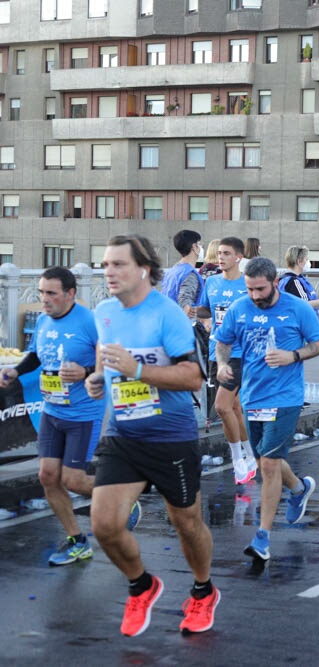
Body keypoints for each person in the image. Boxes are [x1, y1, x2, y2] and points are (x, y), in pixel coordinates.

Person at [85, 234, 217, 636]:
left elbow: (194, 377)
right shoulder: (104, 311)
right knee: (104, 525)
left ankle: (202, 590)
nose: (109, 271)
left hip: (169, 437)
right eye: (105, 264)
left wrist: (136, 370)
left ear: (144, 269)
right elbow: (106, 356)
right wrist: (96, 377)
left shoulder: (168, 315)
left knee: (186, 522)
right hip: (122, 435)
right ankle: (142, 585)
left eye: (118, 264)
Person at [0, 267, 139, 566]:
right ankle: (77, 540)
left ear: (70, 293)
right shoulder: (44, 321)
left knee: (73, 480)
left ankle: (123, 498)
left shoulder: (90, 322)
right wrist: (15, 371)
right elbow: (36, 355)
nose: (44, 299)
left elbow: (112, 360)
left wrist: (87, 372)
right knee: (48, 477)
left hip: (83, 413)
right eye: (41, 292)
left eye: (51, 293)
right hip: (52, 411)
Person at [215, 257, 319, 563]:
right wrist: (223, 365)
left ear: (275, 283)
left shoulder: (297, 309)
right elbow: (223, 342)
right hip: (252, 397)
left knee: (267, 465)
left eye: (260, 289)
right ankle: (299, 487)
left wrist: (293, 355)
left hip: (286, 397)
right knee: (268, 459)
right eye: (250, 289)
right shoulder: (240, 308)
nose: (254, 296)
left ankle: (262, 537)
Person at [196, 237, 256, 486]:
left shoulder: (248, 284)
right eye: (219, 253)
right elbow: (206, 309)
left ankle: (238, 461)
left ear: (239, 257)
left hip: (240, 353)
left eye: (227, 253)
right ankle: (251, 455)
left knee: (221, 407)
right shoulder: (211, 282)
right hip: (215, 351)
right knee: (234, 408)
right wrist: (191, 311)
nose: (220, 257)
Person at [277, 246, 319, 313]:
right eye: (306, 259)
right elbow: (305, 305)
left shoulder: (284, 279)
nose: (308, 262)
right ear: (299, 262)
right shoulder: (294, 282)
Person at [161, 230, 204, 319]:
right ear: (194, 247)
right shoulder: (189, 273)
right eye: (199, 244)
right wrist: (187, 307)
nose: (201, 248)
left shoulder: (172, 271)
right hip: (179, 324)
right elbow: (184, 297)